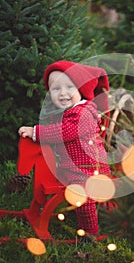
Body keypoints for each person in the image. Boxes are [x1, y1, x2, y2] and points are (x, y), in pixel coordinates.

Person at [18, 60, 111, 239]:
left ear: (81, 90)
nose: (62, 93)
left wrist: (34, 131)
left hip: (89, 168)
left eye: (69, 87)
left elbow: (64, 132)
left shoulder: (84, 113)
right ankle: (55, 212)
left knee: (83, 195)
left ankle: (90, 232)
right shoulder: (69, 110)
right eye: (55, 88)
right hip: (73, 164)